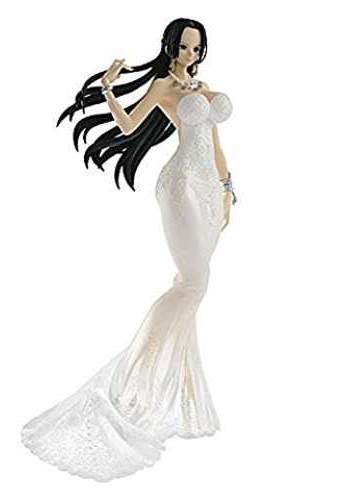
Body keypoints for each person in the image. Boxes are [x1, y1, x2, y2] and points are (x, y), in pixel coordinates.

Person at [21, 17, 236, 482]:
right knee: (192, 284)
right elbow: (128, 125)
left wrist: (227, 188)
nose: (190, 54)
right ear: (171, 47)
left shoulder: (203, 87)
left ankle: (173, 384)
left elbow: (215, 143)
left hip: (207, 190)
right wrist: (107, 89)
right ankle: (137, 368)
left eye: (196, 47)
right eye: (184, 46)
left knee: (193, 285)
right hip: (179, 186)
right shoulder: (162, 86)